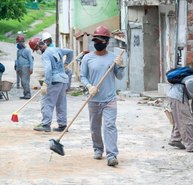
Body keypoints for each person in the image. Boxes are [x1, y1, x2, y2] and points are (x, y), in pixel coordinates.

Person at [80, 25, 125, 166]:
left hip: (109, 99)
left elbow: (119, 76)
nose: (97, 43)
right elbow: (83, 76)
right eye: (95, 40)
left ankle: (112, 155)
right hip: (93, 99)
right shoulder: (87, 58)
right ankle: (98, 149)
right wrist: (89, 86)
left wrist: (121, 65)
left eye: (100, 40)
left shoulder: (113, 58)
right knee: (95, 126)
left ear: (106, 41)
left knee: (110, 126)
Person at [28, 37, 74, 132]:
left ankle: (45, 124)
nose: (37, 51)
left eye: (36, 49)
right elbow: (71, 51)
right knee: (61, 103)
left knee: (47, 102)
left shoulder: (45, 55)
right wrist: (66, 63)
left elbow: (48, 69)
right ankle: (62, 125)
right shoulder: (56, 49)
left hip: (54, 80)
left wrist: (46, 83)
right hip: (63, 80)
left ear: (39, 47)